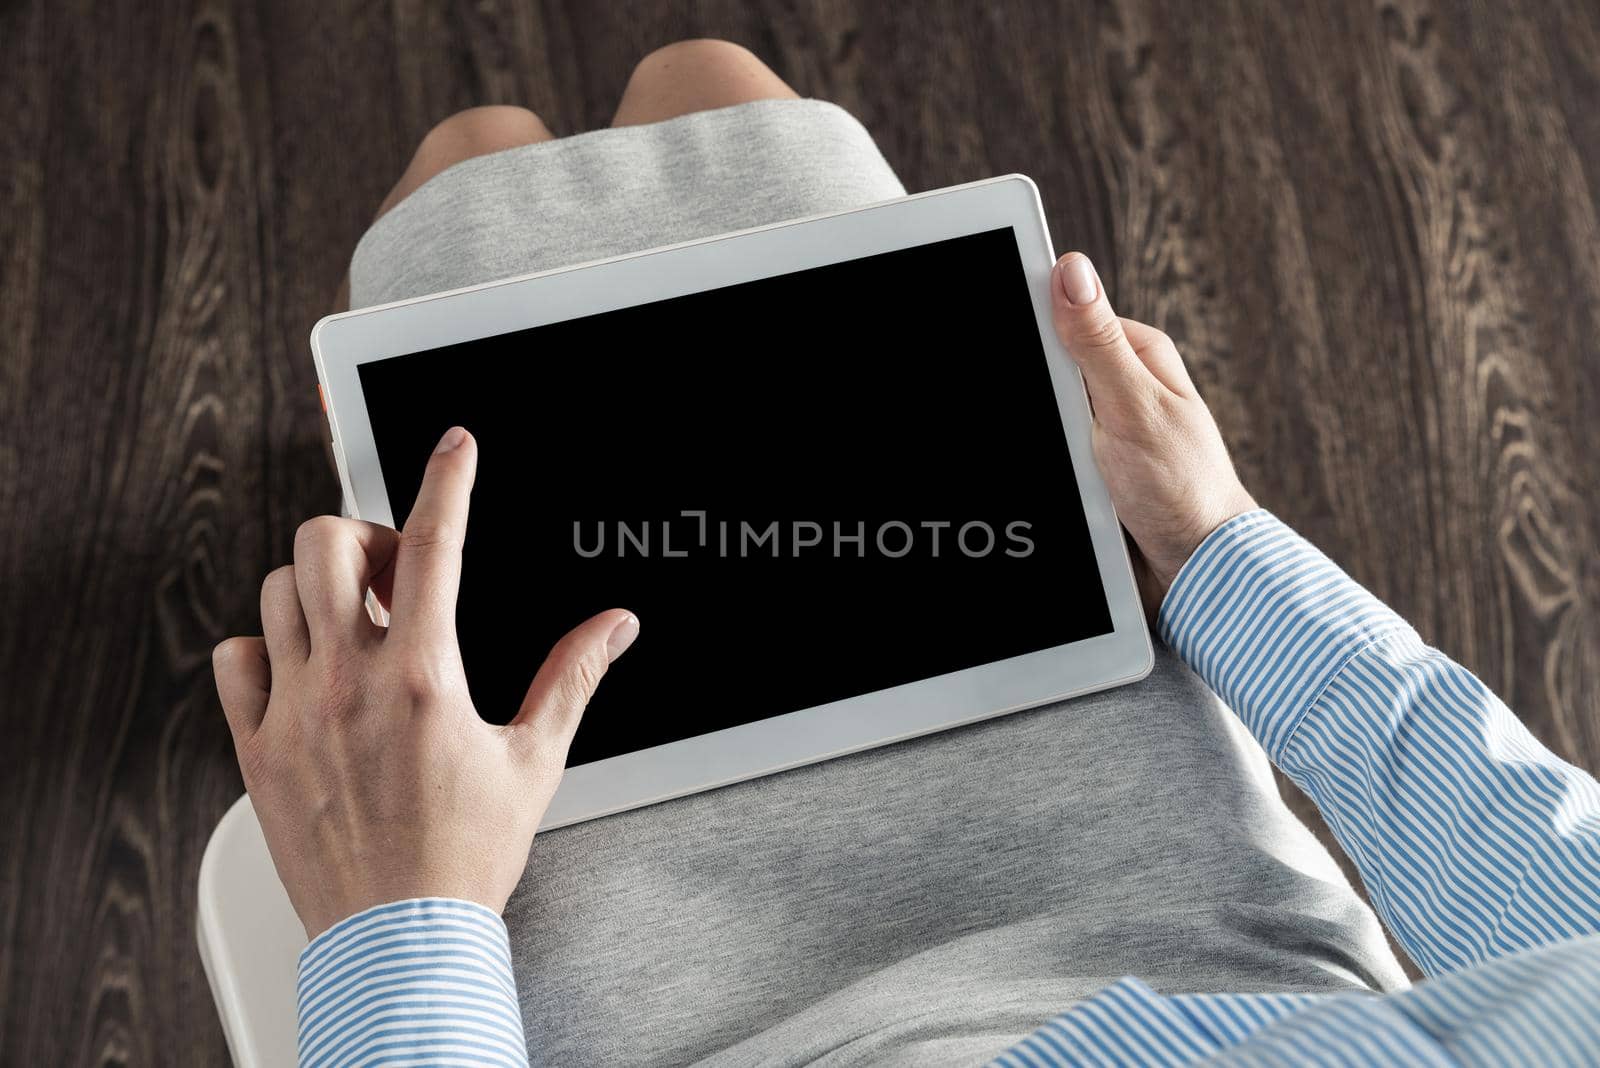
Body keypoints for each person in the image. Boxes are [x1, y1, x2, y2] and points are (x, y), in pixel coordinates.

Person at [213, 40, 1600, 1068]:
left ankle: (365, 418)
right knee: (715, 88)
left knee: (471, 165)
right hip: (1191, 934)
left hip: (704, 1030)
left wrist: (407, 919)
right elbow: (1563, 903)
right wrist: (1211, 549)